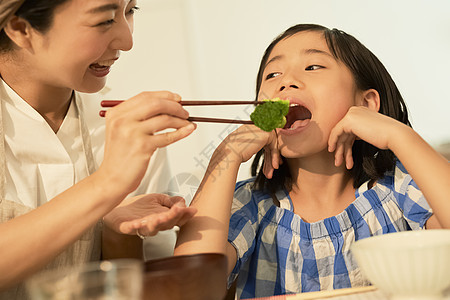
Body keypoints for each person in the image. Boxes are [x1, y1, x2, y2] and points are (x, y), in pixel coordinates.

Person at [174, 24, 450, 299]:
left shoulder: (400, 190)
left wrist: (397, 135)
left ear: (366, 104)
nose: (286, 82)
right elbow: (189, 289)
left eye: (313, 67)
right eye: (273, 74)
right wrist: (227, 154)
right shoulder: (249, 205)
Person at [0, 0, 198, 297]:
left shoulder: (128, 131)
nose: (128, 41)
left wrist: (118, 235)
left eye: (131, 11)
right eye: (104, 19)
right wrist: (107, 184)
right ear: (21, 29)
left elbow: (153, 287)